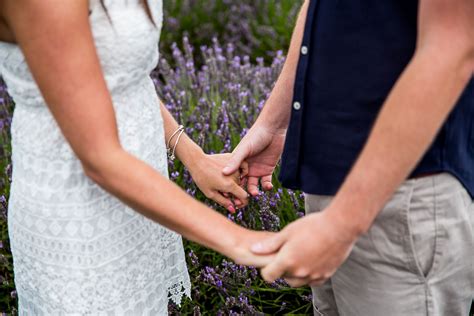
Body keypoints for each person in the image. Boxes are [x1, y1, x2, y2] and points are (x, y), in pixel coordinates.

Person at [0, 0, 272, 314]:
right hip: (80, 223)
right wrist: (244, 243)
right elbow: (100, 158)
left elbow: (115, 75)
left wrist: (191, 154)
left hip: (142, 195)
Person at [224, 0, 474, 315]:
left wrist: (342, 224)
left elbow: (451, 49)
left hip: (401, 197)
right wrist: (276, 123)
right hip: (335, 188)